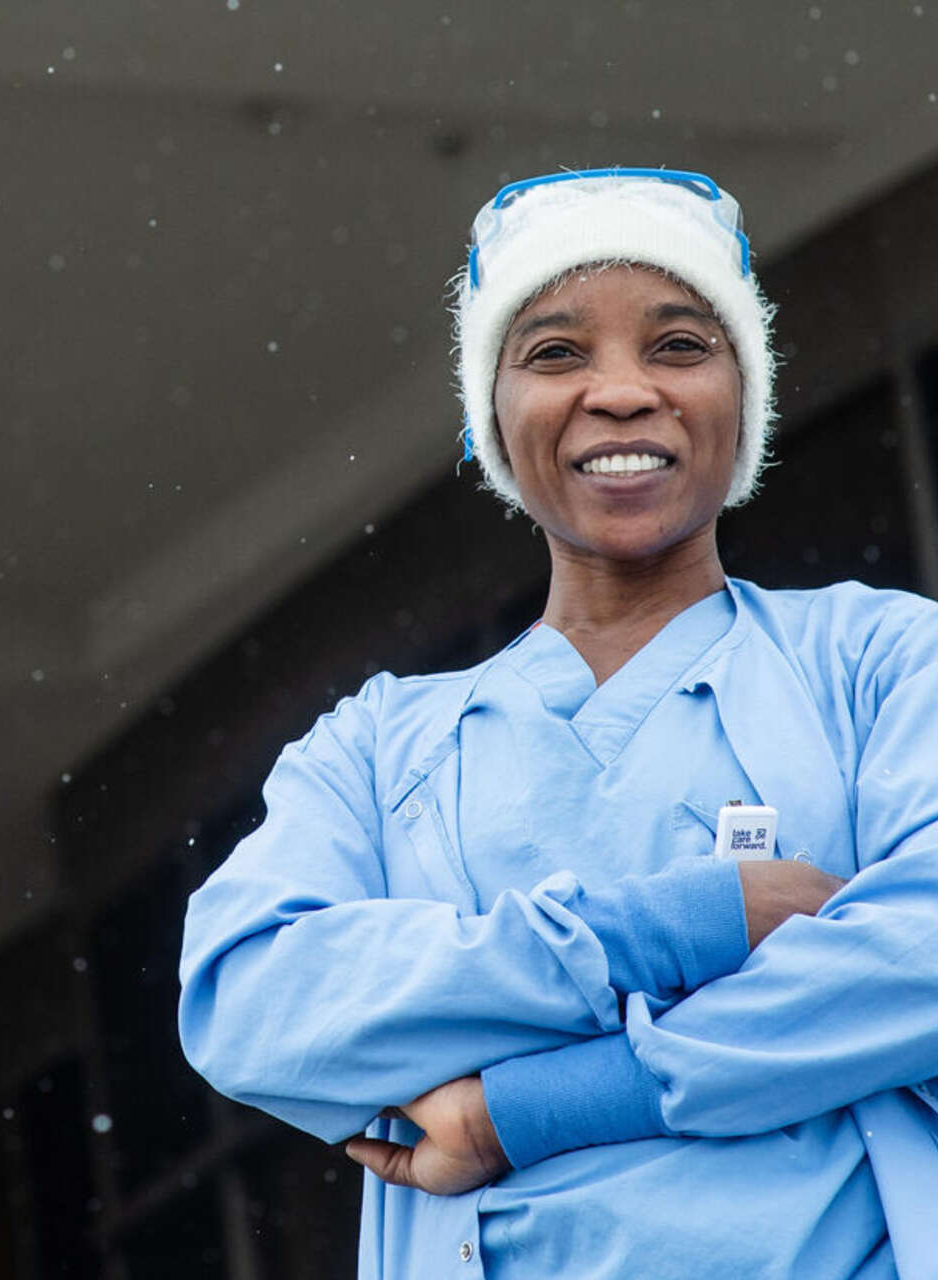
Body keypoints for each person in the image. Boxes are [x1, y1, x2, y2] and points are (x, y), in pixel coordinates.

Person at [177, 168, 938, 1279]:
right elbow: (247, 995)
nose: (621, 391)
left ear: (743, 394)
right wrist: (678, 926)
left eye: (678, 344)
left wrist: (525, 1107)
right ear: (493, 413)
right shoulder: (380, 747)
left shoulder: (879, 663)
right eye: (553, 352)